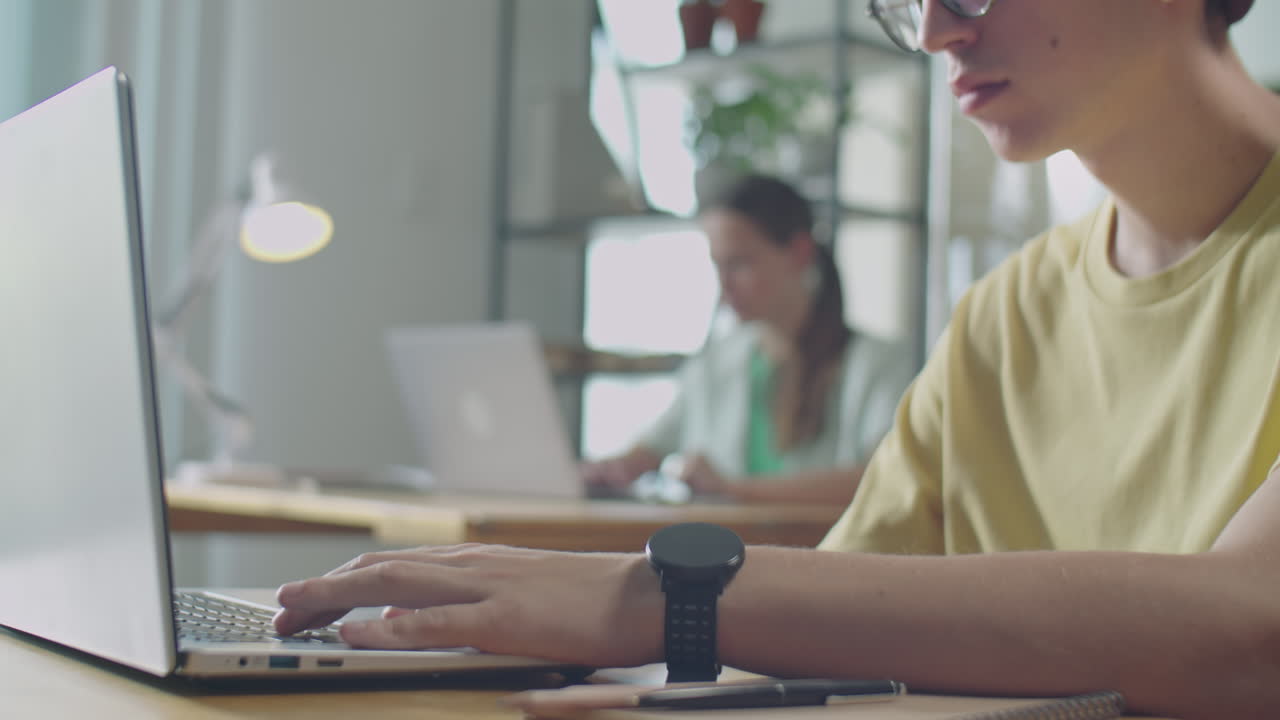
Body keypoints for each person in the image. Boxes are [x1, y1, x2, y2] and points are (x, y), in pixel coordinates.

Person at [274, 2, 1280, 717]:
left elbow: (1253, 634)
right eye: (909, 1)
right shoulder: (1004, 316)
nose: (934, 29)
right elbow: (840, 608)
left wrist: (654, 598)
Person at [580, 174, 914, 505]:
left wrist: (733, 490)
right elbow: (650, 449)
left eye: (739, 264)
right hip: (730, 555)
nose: (724, 285)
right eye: (717, 266)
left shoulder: (877, 364)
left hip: (827, 556)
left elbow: (888, 480)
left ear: (798, 253)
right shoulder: (715, 362)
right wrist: (609, 470)